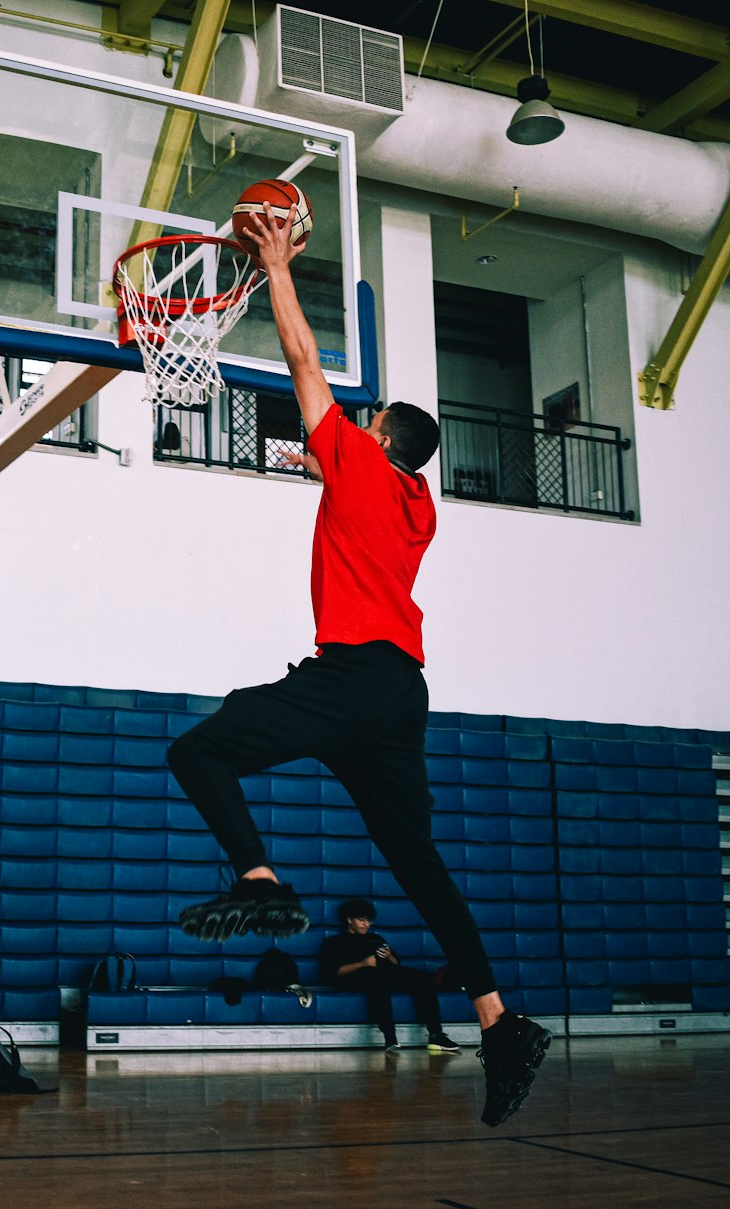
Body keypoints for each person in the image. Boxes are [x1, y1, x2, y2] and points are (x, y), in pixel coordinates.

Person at [163, 204, 551, 1127]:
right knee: (419, 865)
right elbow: (342, 475)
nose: (355, 425)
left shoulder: (364, 460)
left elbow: (305, 365)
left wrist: (277, 268)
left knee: (199, 753)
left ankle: (258, 878)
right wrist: (314, 460)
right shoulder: (414, 501)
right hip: (401, 693)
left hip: (350, 678)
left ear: (378, 439)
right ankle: (499, 1023)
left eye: (364, 423)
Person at [319, 898, 459, 1052]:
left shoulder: (375, 938)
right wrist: (362, 964)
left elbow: (396, 964)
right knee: (377, 980)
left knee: (419, 978)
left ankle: (436, 1035)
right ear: (349, 920)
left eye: (369, 920)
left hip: (385, 973)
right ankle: (389, 1035)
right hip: (357, 977)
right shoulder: (335, 942)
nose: (367, 924)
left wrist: (389, 956)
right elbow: (333, 972)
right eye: (361, 920)